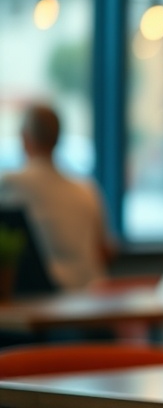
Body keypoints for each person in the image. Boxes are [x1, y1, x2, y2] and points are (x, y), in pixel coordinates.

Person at [0, 102, 116, 292]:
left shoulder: (11, 185)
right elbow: (104, 250)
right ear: (57, 138)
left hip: (41, 300)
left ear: (24, 138)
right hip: (91, 297)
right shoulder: (87, 190)